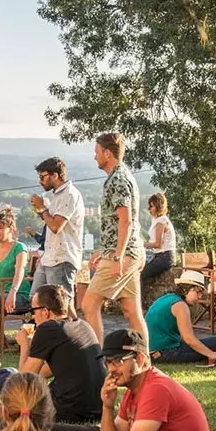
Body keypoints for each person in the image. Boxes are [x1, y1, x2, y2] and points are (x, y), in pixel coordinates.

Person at [13, 285, 105, 431]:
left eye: (33, 311)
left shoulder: (48, 329)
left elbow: (24, 379)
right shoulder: (82, 325)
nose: (33, 317)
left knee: (18, 398)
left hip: (70, 410)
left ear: (45, 311)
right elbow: (45, 372)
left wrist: (24, 345)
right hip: (97, 408)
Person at [81, 132, 147, 336]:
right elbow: (117, 223)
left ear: (107, 153)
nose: (95, 156)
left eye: (97, 152)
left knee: (89, 304)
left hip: (123, 255)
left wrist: (117, 255)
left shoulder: (117, 179)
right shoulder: (123, 176)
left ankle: (97, 361)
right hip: (132, 252)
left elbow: (125, 220)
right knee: (132, 311)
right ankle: (144, 361)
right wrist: (103, 249)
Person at [28, 157, 85, 297]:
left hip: (62, 258)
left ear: (55, 175)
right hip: (50, 257)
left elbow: (55, 226)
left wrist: (42, 208)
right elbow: (52, 221)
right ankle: (72, 319)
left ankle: (72, 320)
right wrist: (41, 211)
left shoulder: (69, 195)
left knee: (59, 304)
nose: (39, 181)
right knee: (35, 298)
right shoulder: (58, 195)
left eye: (42, 177)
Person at [143, 270, 216, 365]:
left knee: (213, 342)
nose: (200, 296)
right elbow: (189, 339)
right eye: (198, 292)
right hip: (165, 352)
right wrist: (214, 356)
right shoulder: (180, 305)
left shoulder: (167, 298)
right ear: (186, 289)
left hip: (152, 351)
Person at [0, 208, 30, 318]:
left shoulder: (19, 247)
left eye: (0, 227)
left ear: (11, 229)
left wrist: (13, 293)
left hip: (17, 295)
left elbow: (20, 271)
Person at [140, 193, 176, 291]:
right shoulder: (158, 220)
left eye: (151, 206)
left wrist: (140, 244)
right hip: (162, 256)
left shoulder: (161, 222)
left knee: (140, 275)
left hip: (165, 257)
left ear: (158, 206)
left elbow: (157, 244)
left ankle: (140, 305)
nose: (149, 209)